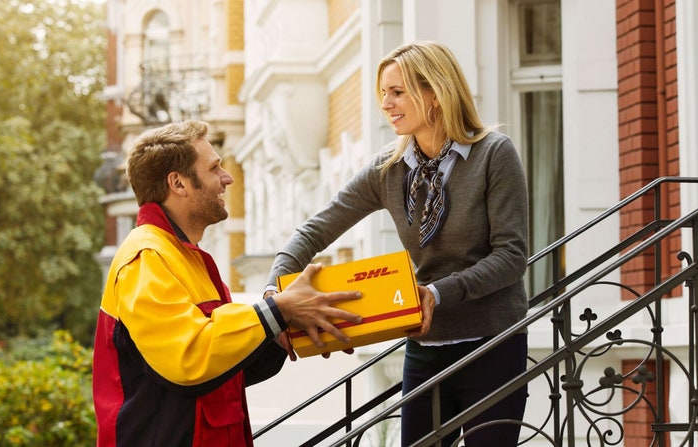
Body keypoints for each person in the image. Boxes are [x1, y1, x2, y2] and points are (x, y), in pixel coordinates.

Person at [265, 41, 530, 447]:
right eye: (383, 93)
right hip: (425, 347)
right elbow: (314, 231)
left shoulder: (493, 154)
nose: (386, 104)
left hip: (492, 344)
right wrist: (275, 294)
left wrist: (437, 294)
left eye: (397, 92)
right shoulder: (387, 168)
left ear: (435, 93)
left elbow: (511, 256)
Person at [92, 120, 363, 447]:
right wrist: (276, 311)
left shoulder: (184, 256)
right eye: (214, 167)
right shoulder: (146, 257)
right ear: (178, 183)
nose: (227, 178)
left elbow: (223, 371)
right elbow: (189, 358)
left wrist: (276, 334)